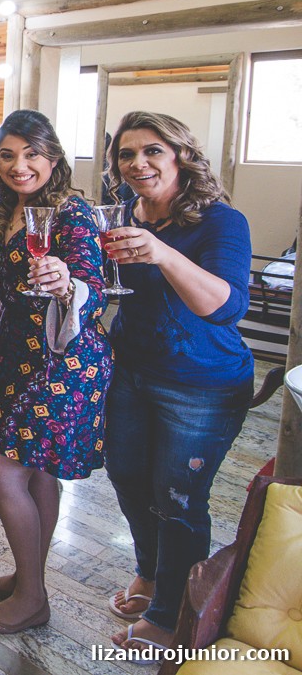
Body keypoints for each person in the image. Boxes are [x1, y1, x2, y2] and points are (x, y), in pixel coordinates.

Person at [101, 111, 253, 654]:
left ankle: (172, 615)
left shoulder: (220, 221)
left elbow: (227, 307)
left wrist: (161, 253)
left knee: (179, 498)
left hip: (203, 382)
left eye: (152, 151)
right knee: (125, 475)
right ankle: (150, 569)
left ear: (180, 156)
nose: (138, 163)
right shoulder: (119, 212)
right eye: (126, 154)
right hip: (133, 370)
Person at [0, 110, 112, 635]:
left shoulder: (72, 211)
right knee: (37, 470)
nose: (19, 165)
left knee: (1, 471)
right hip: (16, 351)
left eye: (31, 154)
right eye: (7, 154)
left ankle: (32, 597)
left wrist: (65, 280)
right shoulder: (8, 210)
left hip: (61, 359)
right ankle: (29, 578)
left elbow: (92, 286)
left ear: (52, 156)